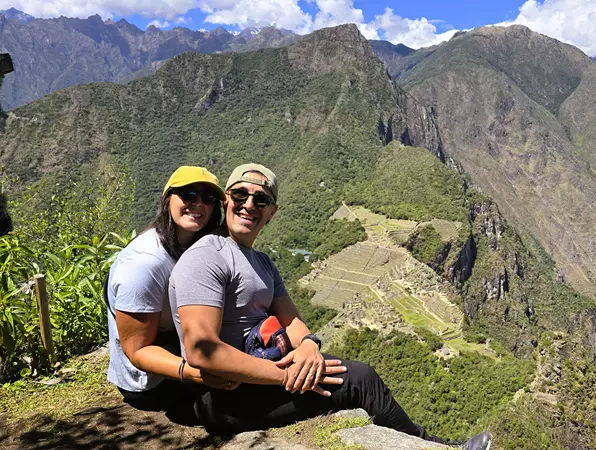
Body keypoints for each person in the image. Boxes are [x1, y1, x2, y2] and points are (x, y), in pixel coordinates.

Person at [169, 164, 491, 449]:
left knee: (346, 373)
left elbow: (291, 318)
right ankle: (437, 448)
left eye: (261, 200)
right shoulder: (207, 256)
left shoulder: (263, 263)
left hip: (259, 378)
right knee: (359, 380)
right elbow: (201, 350)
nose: (249, 204)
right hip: (224, 396)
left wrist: (309, 345)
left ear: (271, 212)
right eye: (240, 195)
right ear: (227, 199)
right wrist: (283, 375)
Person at [106, 166, 238, 421]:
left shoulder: (197, 246)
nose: (198, 203)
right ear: (168, 200)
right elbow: (137, 350)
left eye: (208, 198)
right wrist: (195, 374)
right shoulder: (145, 263)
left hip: (183, 350)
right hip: (150, 383)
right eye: (188, 194)